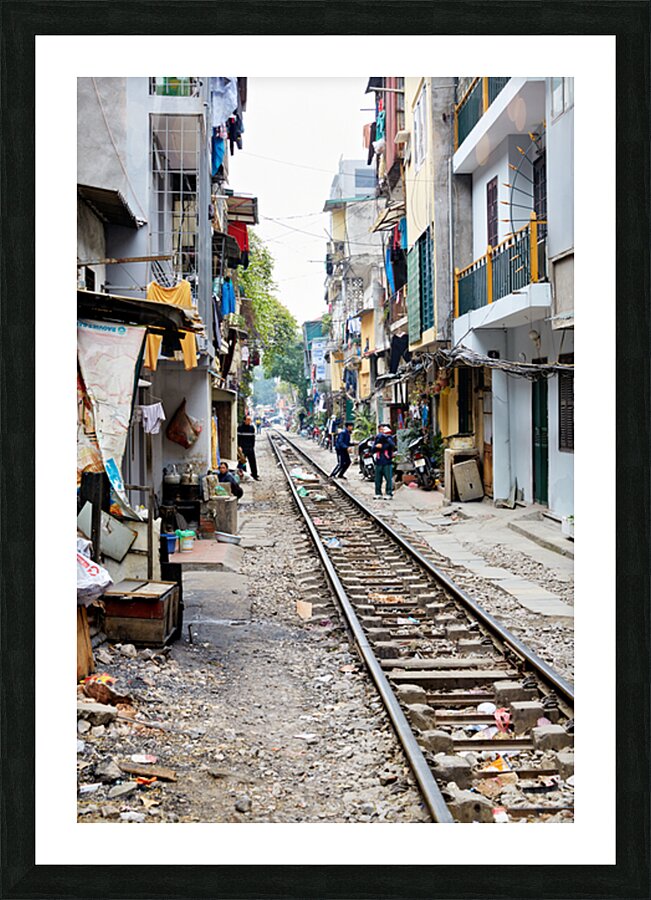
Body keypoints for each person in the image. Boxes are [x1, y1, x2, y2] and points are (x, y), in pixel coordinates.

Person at [373, 424, 396, 499]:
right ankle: (378, 493)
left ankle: (389, 493)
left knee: (388, 478)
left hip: (387, 461)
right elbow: (373, 449)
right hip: (379, 461)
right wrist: (376, 446)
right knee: (377, 479)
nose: (382, 431)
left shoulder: (389, 439)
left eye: (383, 429)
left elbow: (391, 446)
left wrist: (382, 446)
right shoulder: (377, 439)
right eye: (380, 430)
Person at [237, 414, 259, 480]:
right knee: (242, 462)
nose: (249, 421)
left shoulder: (252, 428)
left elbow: (253, 438)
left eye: (250, 420)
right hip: (243, 447)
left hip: (250, 447)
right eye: (248, 420)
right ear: (244, 420)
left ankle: (255, 475)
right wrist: (239, 446)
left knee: (253, 462)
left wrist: (252, 446)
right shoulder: (240, 428)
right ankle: (243, 475)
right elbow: (238, 438)